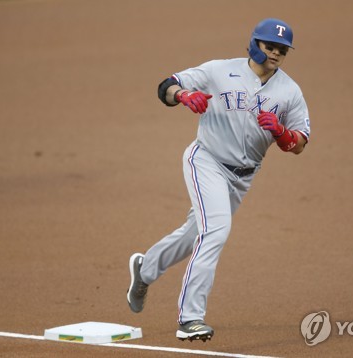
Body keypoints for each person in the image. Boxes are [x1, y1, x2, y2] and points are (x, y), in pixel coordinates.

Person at [126, 18, 311, 342]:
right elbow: (165, 86)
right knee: (216, 230)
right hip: (206, 161)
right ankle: (190, 318)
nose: (277, 53)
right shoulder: (218, 71)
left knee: (194, 233)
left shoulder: (290, 91)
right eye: (271, 46)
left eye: (283, 49)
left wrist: (282, 134)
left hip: (243, 177)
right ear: (254, 44)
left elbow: (301, 143)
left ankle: (145, 269)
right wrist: (182, 95)